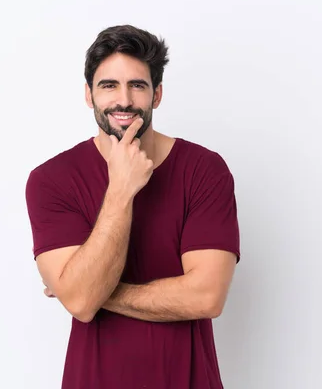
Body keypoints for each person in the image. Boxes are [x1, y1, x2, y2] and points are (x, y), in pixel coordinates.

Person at [24, 24, 240, 389]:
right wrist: (121, 191)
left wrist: (90, 292)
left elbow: (207, 296)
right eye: (108, 85)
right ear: (89, 95)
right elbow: (80, 302)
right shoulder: (51, 180)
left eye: (137, 85)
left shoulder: (204, 170)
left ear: (156, 95)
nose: (123, 100)